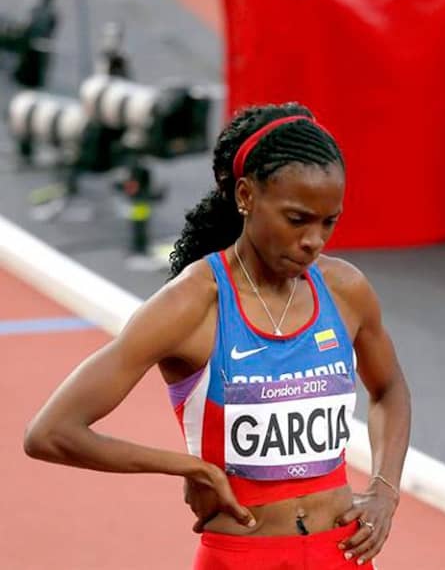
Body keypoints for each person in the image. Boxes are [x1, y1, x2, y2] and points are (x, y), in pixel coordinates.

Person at [24, 102, 411, 569]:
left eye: (328, 222)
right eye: (297, 219)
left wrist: (385, 491)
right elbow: (51, 432)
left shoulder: (345, 290)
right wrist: (189, 466)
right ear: (245, 196)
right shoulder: (193, 303)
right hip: (242, 556)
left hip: (342, 553)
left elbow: (389, 389)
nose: (314, 240)